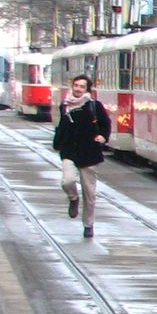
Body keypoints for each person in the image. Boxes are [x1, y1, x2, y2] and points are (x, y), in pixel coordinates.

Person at [53, 74, 111, 239]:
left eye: (81, 87)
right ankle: (73, 198)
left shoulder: (94, 105)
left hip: (89, 152)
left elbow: (105, 124)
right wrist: (58, 142)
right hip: (69, 150)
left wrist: (103, 136)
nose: (78, 89)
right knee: (67, 180)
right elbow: (61, 126)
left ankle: (88, 224)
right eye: (76, 85)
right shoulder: (64, 105)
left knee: (89, 193)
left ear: (87, 89)